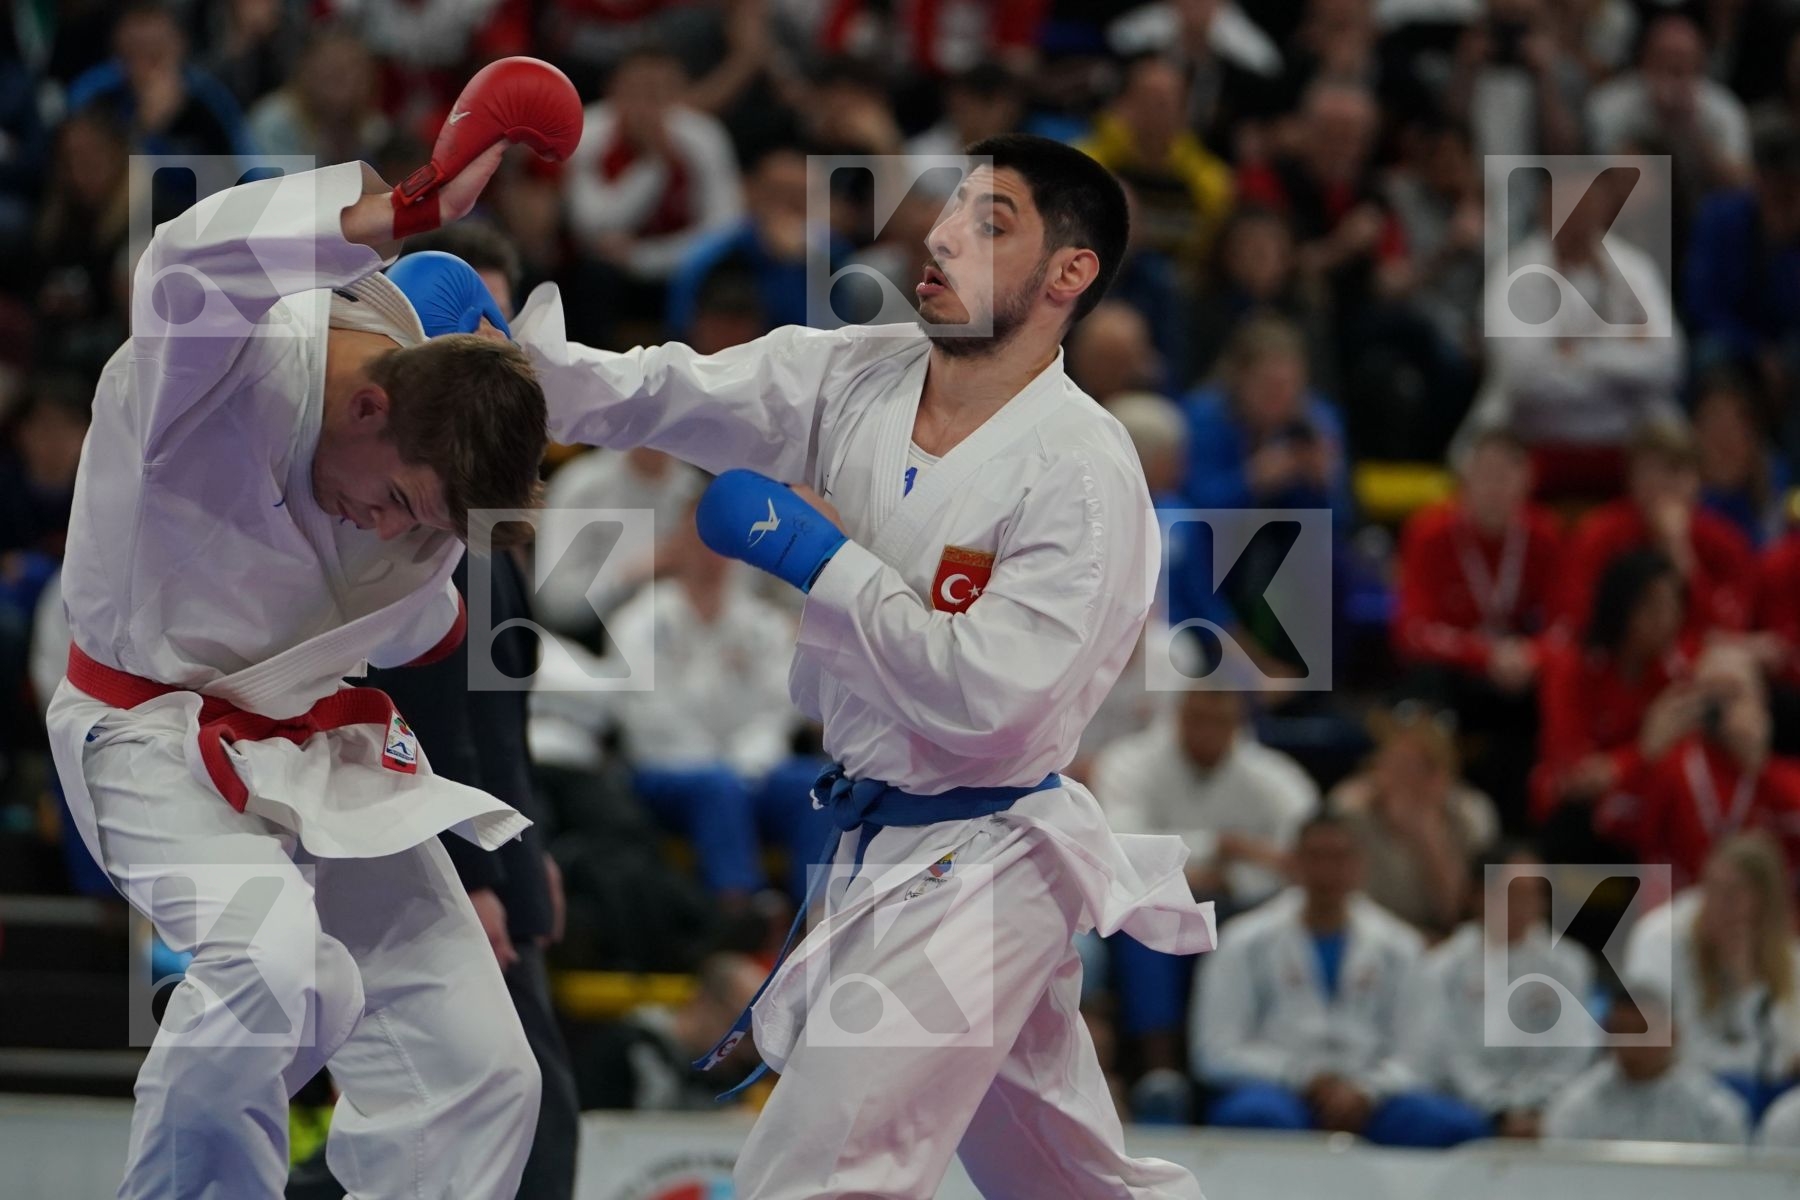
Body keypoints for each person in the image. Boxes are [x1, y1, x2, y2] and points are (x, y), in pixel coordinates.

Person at [512, 132, 1216, 1199]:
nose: (938, 235)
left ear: (1069, 275)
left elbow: (991, 702)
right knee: (1073, 1184)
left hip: (983, 860)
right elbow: (668, 394)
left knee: (822, 1168)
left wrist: (826, 561)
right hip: (878, 844)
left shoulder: (1080, 472)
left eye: (991, 223)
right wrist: (515, 374)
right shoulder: (857, 374)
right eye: (951, 209)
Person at [44, 60, 577, 1198]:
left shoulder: (427, 488)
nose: (390, 529)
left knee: (487, 1069)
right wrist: (402, 210)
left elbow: (434, 626)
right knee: (271, 962)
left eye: (420, 525)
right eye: (397, 501)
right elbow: (187, 261)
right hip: (146, 734)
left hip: (316, 752)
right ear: (373, 399)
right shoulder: (234, 364)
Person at [1194, 812, 1490, 1148]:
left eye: (1339, 858)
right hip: (1278, 1088)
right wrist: (1301, 1076)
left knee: (1452, 1126)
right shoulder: (1244, 941)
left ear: (1359, 865)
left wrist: (1367, 1090)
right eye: (1316, 858)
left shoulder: (1400, 947)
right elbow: (1216, 1050)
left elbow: (1421, 1052)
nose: (1327, 871)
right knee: (1254, 1117)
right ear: (1295, 864)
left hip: (1375, 1095)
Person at [1400, 842, 1598, 1138]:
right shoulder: (1443, 967)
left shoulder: (1568, 964)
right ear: (1479, 895)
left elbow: (1574, 1052)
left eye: (1535, 893)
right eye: (1514, 893)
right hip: (1467, 1109)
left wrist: (1537, 1106)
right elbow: (1445, 1053)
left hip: (1548, 1108)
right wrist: (1497, 1109)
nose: (1525, 905)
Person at [1623, 834, 1800, 1123]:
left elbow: (1787, 1055)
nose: (1716, 906)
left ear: (1765, 906)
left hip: (1767, 1105)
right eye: (1712, 889)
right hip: (1676, 1097)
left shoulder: (1788, 955)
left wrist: (1746, 984)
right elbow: (1661, 1049)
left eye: (1732, 895)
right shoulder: (1659, 938)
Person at [1331, 704, 1500, 939]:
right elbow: (1343, 902)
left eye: (1415, 768)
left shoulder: (1470, 814)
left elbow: (1464, 913)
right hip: (1371, 940)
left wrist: (1426, 837)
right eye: (1392, 764)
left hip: (1448, 942)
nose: (1401, 778)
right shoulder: (1351, 811)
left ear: (1441, 774)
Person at [1542, 983, 1752, 1145]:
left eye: (1643, 1030)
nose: (1631, 1041)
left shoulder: (1713, 1112)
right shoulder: (1576, 1106)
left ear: (1672, 1034)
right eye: (1621, 1030)